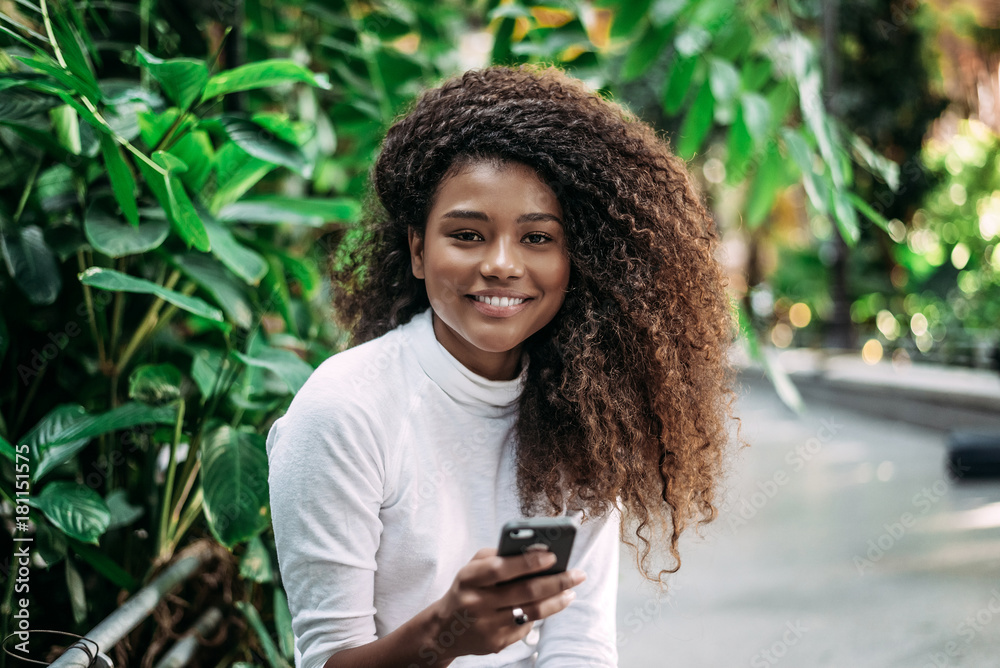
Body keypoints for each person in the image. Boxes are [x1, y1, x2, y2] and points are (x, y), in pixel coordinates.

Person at [266, 64, 734, 668]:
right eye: (466, 235)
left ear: (577, 260)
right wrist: (443, 634)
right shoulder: (343, 411)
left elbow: (581, 646)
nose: (501, 265)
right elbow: (327, 659)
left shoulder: (585, 413)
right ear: (417, 249)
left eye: (538, 238)